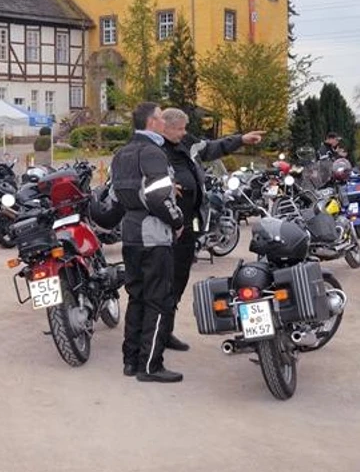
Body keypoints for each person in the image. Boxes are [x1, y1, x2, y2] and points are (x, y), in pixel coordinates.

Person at [159, 108, 264, 352]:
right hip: (164, 226)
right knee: (159, 282)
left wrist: (240, 139)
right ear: (165, 126)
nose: (185, 132)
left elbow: (209, 148)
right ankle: (151, 335)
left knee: (178, 279)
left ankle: (166, 331)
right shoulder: (155, 148)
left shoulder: (186, 142)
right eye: (180, 128)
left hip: (188, 224)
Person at [111, 101, 185, 383]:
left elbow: (116, 197)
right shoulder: (153, 152)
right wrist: (177, 222)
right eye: (160, 118)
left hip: (130, 233)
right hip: (154, 235)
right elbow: (158, 196)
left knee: (137, 297)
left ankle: (130, 361)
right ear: (151, 123)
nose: (164, 122)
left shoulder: (121, 154)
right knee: (158, 300)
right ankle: (151, 366)